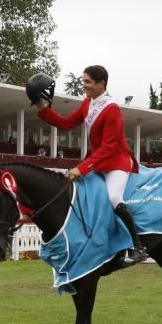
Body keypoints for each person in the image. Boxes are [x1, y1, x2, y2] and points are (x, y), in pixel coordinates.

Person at [29, 65, 146, 264]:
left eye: (87, 82)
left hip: (117, 161)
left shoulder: (112, 109)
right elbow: (65, 123)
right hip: (99, 161)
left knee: (113, 196)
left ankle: (138, 247)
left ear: (101, 84)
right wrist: (44, 109)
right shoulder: (88, 103)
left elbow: (109, 147)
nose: (84, 85)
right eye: (83, 81)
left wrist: (81, 168)